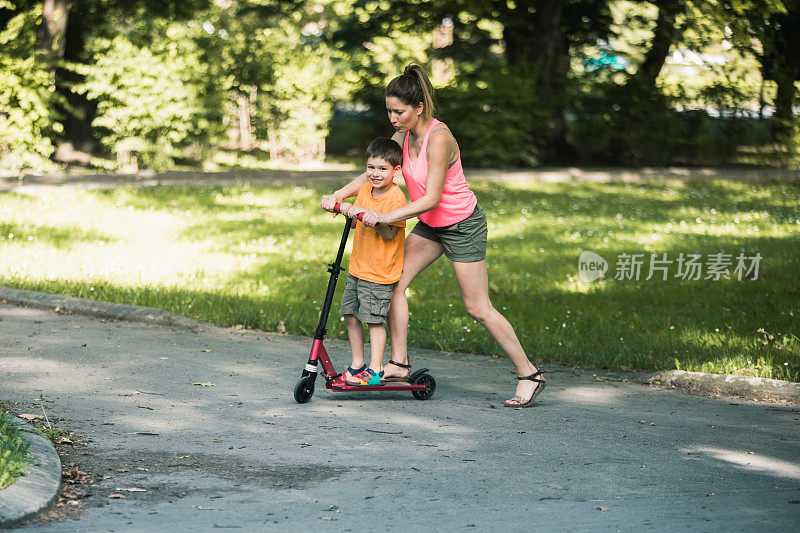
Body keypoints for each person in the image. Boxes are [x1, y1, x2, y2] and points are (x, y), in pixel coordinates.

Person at [322, 63, 545, 407]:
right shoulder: (403, 135)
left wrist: (384, 215)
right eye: (389, 112)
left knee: (477, 307)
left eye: (399, 112)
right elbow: (374, 174)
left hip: (462, 224)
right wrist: (340, 195)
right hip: (430, 226)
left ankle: (529, 373)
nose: (393, 119)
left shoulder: (439, 138)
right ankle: (399, 363)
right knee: (394, 280)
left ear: (418, 108)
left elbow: (430, 198)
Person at [331, 137, 407, 386]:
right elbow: (356, 222)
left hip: (379, 272)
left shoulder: (396, 199)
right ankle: (357, 365)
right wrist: (346, 209)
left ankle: (375, 369)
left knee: (374, 319)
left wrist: (377, 219)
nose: (375, 174)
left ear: (396, 171)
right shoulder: (365, 189)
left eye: (382, 168)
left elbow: (389, 233)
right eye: (370, 167)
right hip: (358, 267)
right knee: (350, 314)